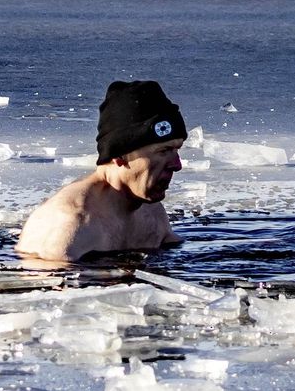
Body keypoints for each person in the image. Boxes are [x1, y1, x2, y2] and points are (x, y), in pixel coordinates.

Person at [16, 80, 187, 261]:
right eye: (163, 151)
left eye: (176, 150)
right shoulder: (70, 226)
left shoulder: (150, 210)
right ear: (119, 155)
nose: (177, 165)